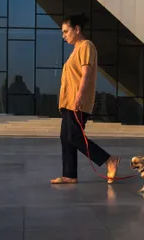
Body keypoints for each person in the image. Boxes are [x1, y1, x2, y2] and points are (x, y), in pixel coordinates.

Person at [50, 14, 121, 184]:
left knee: (74, 136)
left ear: (77, 29)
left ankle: (109, 160)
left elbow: (87, 74)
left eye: (66, 31)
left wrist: (79, 96)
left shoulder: (86, 46)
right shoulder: (76, 50)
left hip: (78, 101)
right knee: (65, 137)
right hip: (68, 102)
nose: (64, 36)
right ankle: (69, 175)